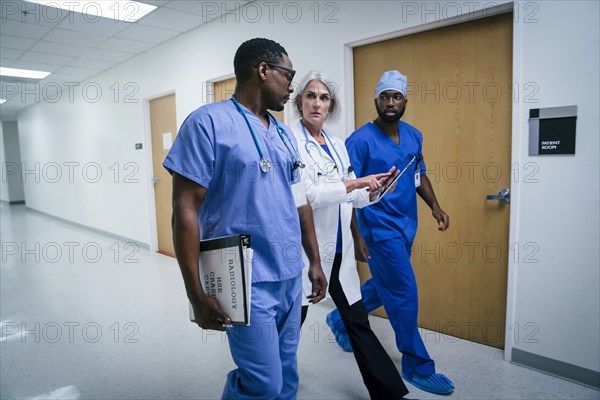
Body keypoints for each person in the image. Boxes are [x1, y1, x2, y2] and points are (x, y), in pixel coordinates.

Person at [163, 38, 327, 400]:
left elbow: (300, 204)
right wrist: (195, 292)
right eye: (289, 76)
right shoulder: (208, 123)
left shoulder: (283, 134)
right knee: (262, 385)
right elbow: (184, 209)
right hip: (244, 278)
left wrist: (314, 261)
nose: (292, 87)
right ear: (263, 70)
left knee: (286, 378)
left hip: (288, 275)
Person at [326, 70, 455, 395]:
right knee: (404, 293)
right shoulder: (360, 140)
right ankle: (417, 365)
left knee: (387, 287)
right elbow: (346, 191)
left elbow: (418, 175)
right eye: (385, 96)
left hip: (405, 224)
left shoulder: (414, 136)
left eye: (396, 96)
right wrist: (355, 235)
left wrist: (435, 207)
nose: (390, 102)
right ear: (376, 101)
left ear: (404, 101)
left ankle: (340, 321)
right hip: (377, 227)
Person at [291, 71, 410, 399]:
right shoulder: (289, 142)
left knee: (358, 324)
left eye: (324, 98)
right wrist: (356, 183)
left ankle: (388, 392)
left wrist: (377, 189)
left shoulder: (337, 145)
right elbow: (310, 195)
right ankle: (271, 382)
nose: (317, 103)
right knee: (290, 327)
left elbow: (353, 196)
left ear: (331, 106)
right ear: (299, 101)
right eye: (311, 96)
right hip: (308, 252)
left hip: (339, 250)